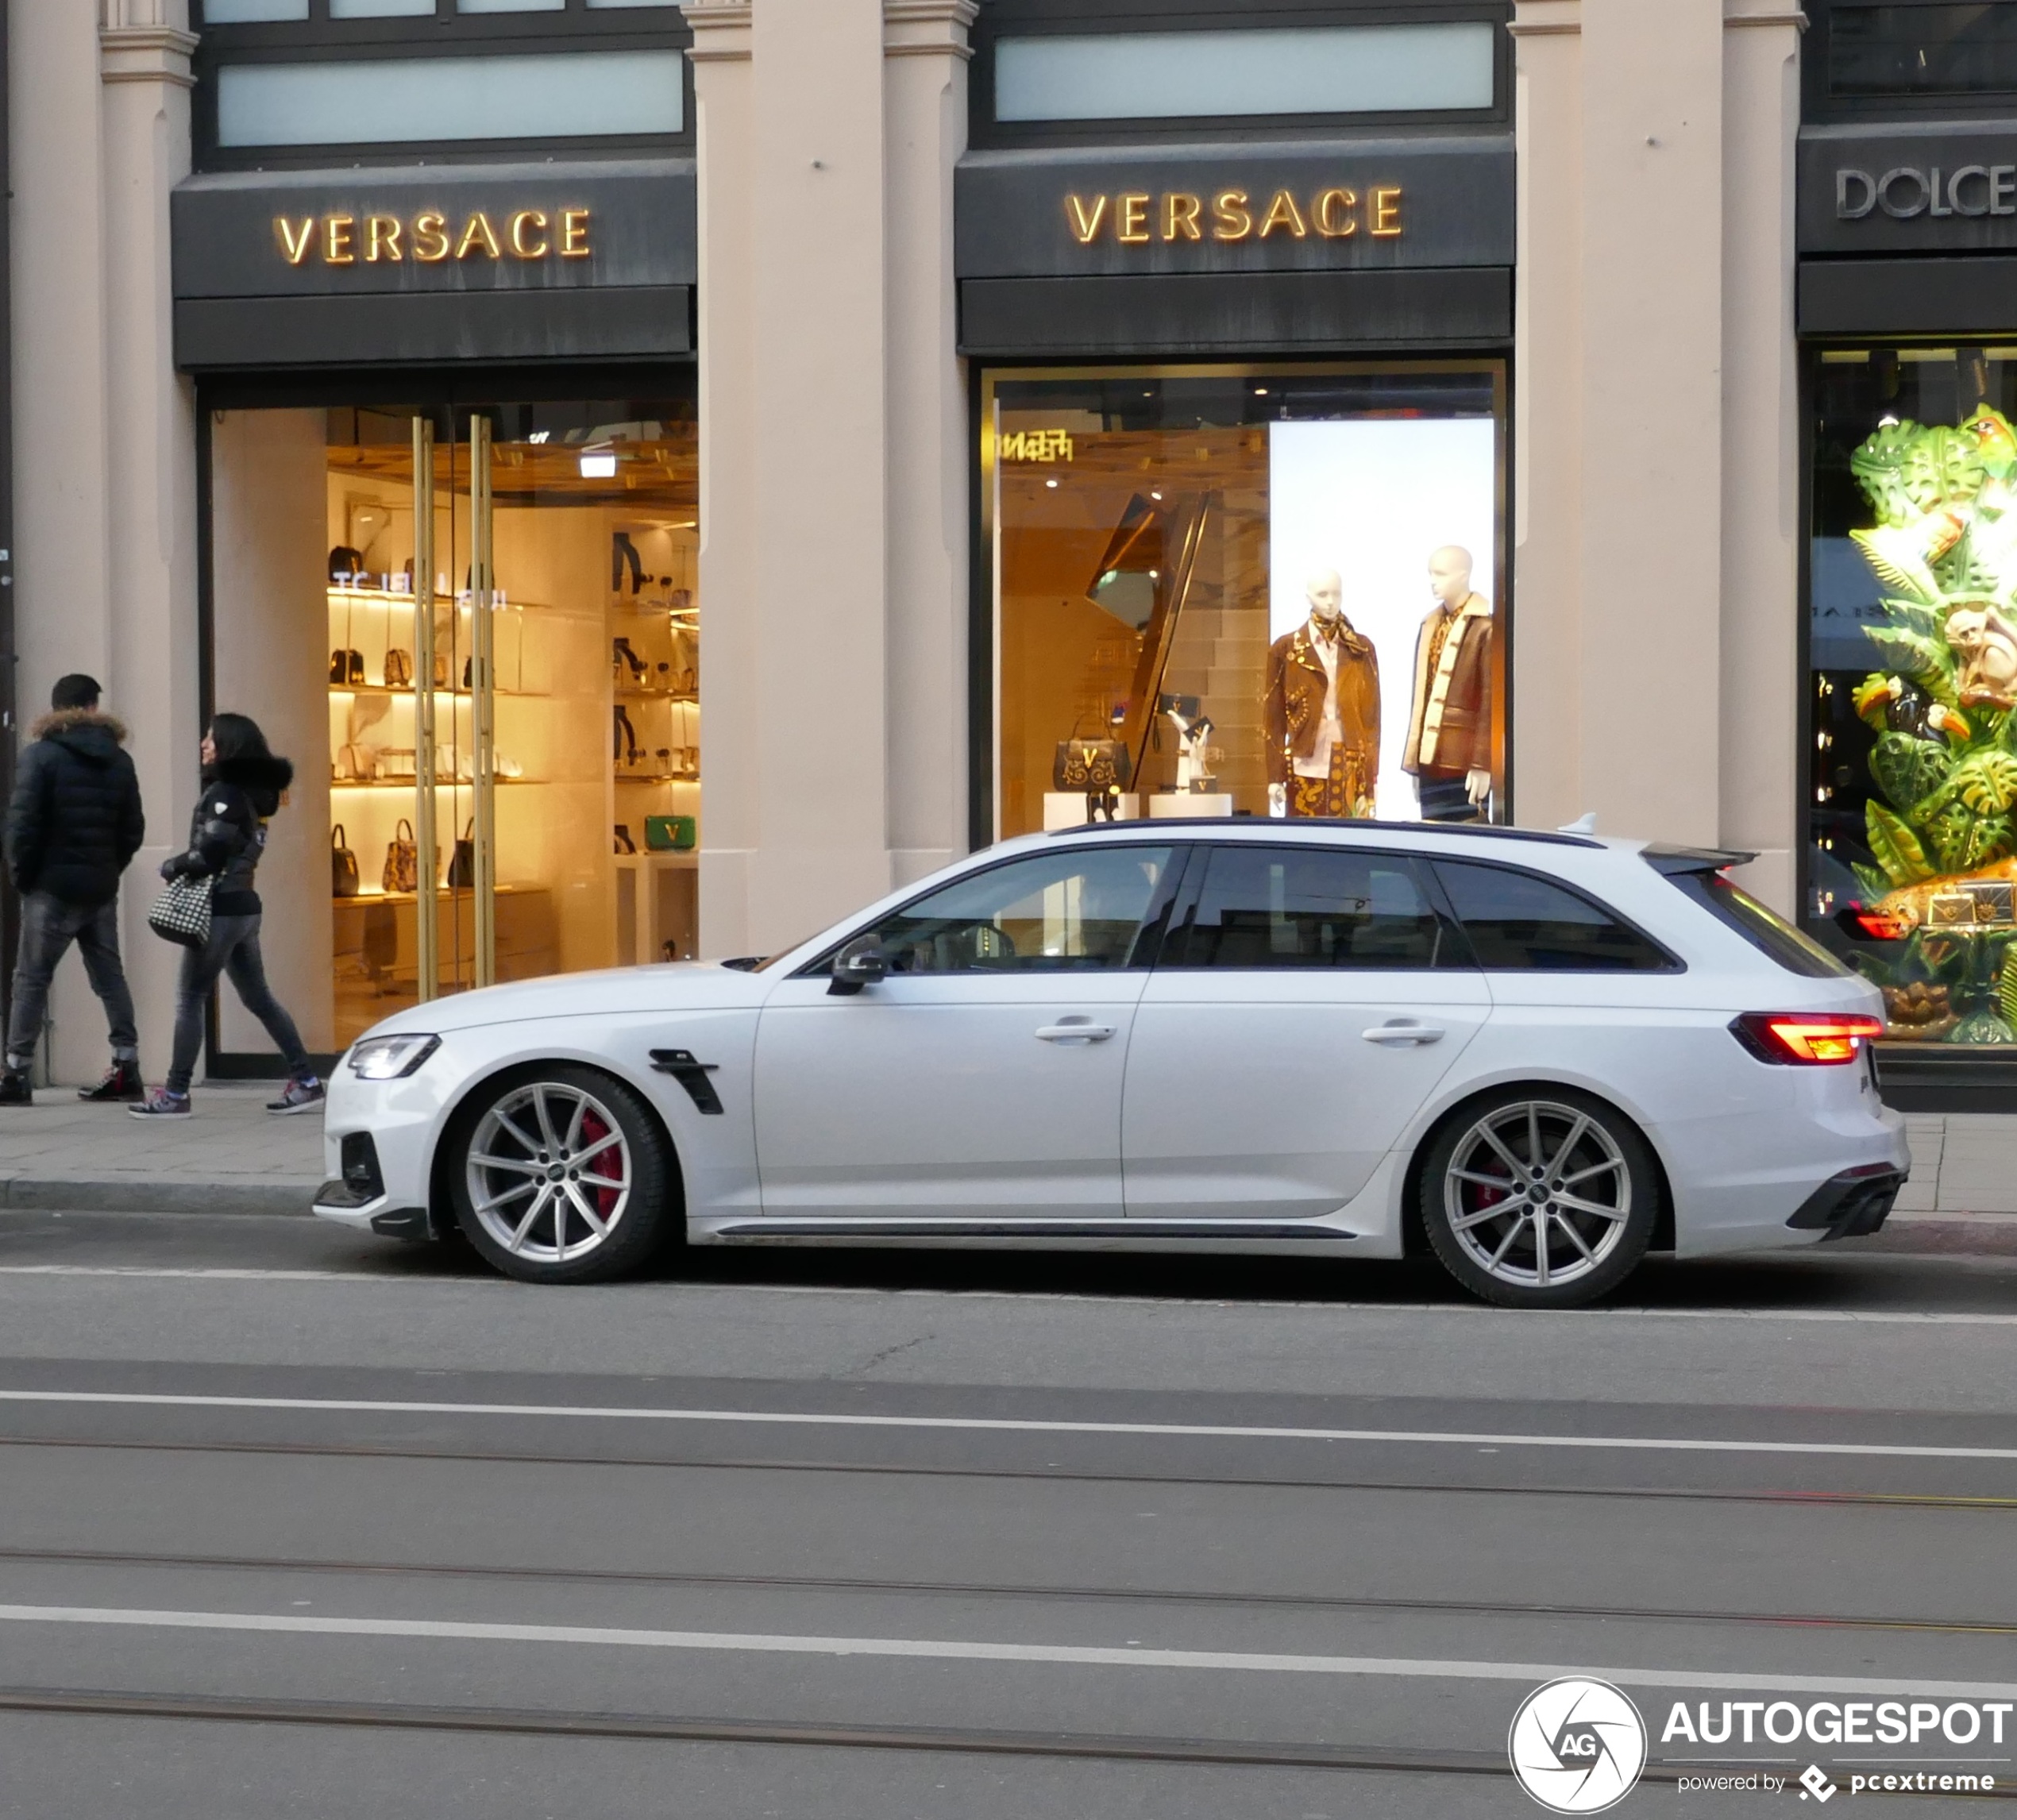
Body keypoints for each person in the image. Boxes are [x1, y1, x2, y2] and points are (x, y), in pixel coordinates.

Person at [130, 713, 324, 1119]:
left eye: (211, 739)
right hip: (244, 906)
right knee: (259, 998)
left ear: (230, 746)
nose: (203, 744)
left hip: (218, 909)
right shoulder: (256, 795)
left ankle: (176, 1094)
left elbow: (211, 853)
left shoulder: (227, 793)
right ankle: (306, 1081)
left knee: (190, 998)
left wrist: (174, 865)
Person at [2, 673, 147, 1105]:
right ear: (91, 706)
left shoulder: (40, 756)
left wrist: (22, 877)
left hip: (50, 887)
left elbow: (21, 826)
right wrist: (108, 868)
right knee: (109, 977)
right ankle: (127, 1067)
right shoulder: (120, 760)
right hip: (100, 887)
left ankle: (15, 1073)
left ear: (55, 708)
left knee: (31, 979)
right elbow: (133, 830)